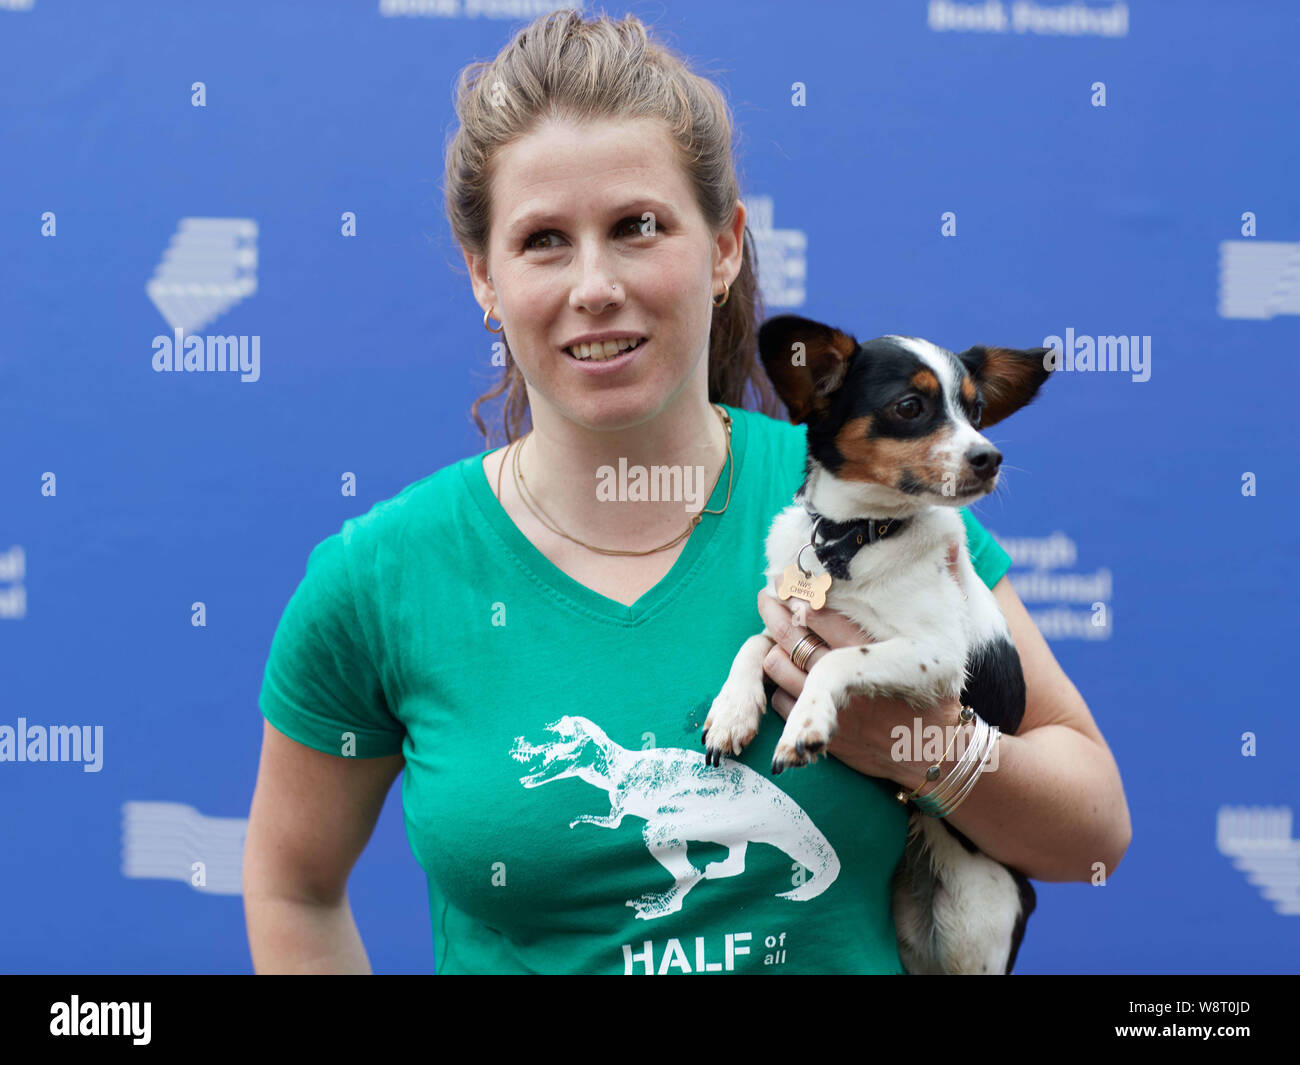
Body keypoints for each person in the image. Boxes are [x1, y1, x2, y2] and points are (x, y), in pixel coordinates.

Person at [243, 9, 1130, 975]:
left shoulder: (869, 506)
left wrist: (927, 746)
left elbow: (1094, 832)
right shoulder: (379, 577)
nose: (594, 285)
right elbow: (292, 886)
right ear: (483, 276)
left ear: (724, 248)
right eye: (543, 240)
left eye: (638, 227)